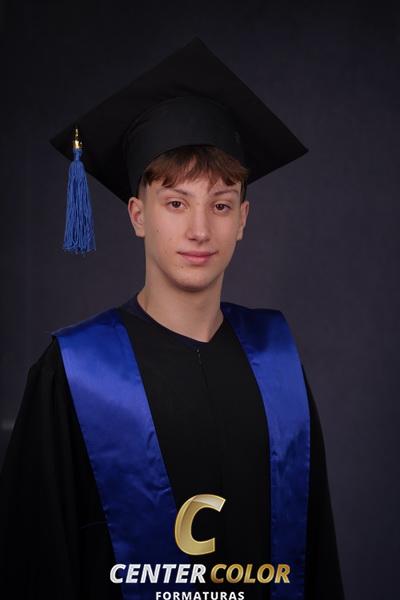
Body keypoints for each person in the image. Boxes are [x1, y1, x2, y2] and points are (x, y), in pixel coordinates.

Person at [0, 38, 345, 600]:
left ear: (243, 219)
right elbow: (32, 565)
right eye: (176, 202)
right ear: (138, 215)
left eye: (221, 204)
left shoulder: (278, 359)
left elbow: (316, 554)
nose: (200, 230)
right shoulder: (76, 373)